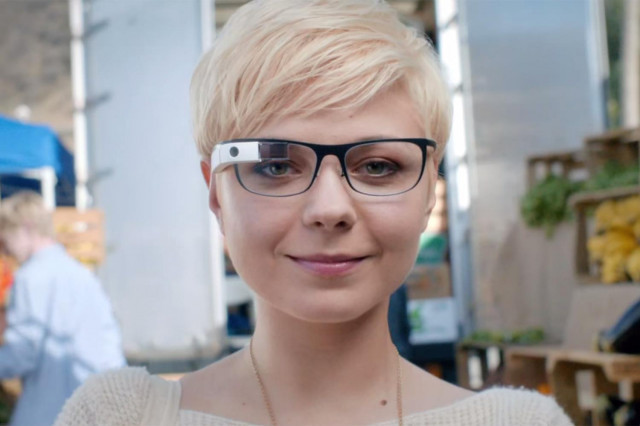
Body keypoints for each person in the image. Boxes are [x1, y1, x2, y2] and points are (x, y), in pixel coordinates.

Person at [56, 1, 572, 424]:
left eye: (377, 166)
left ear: (428, 191)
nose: (330, 209)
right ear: (216, 193)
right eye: (276, 166)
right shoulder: (119, 417)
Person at [0, 191, 125, 426]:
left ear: (26, 227)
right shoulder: (81, 275)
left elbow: (22, 353)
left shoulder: (30, 277)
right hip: (100, 407)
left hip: (51, 411)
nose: (5, 250)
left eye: (5, 238)